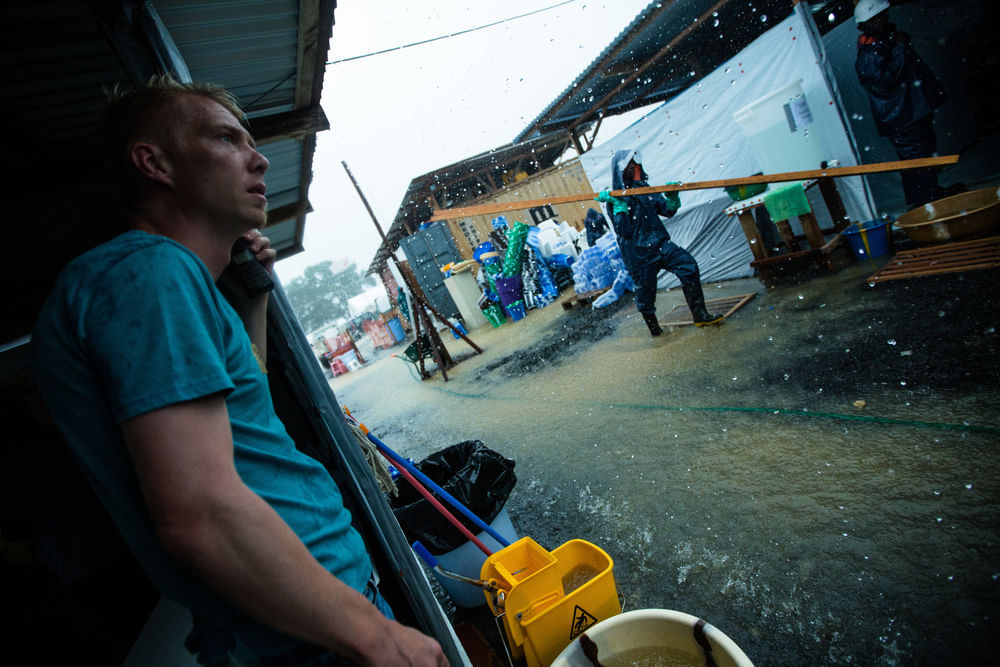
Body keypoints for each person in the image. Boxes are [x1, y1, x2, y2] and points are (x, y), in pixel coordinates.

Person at [30, 75, 448, 667]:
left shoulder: (170, 283)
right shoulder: (148, 274)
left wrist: (250, 300)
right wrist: (374, 635)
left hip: (307, 614)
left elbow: (242, 414)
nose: (258, 157)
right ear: (155, 163)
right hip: (308, 636)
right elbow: (197, 511)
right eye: (227, 139)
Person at [597, 150, 722, 336]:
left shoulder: (644, 188)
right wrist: (620, 208)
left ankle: (700, 315)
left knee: (688, 266)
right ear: (620, 170)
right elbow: (625, 232)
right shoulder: (615, 198)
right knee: (646, 295)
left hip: (660, 244)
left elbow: (666, 211)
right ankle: (655, 330)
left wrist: (672, 199)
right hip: (638, 254)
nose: (632, 167)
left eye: (634, 163)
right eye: (628, 165)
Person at [853, 0, 961, 209]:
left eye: (883, 15)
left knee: (924, 157)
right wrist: (901, 47)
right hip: (902, 117)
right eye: (876, 18)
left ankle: (931, 195)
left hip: (911, 112)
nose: (883, 20)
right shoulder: (869, 53)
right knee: (916, 162)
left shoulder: (884, 42)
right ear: (864, 25)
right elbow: (886, 80)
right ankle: (924, 204)